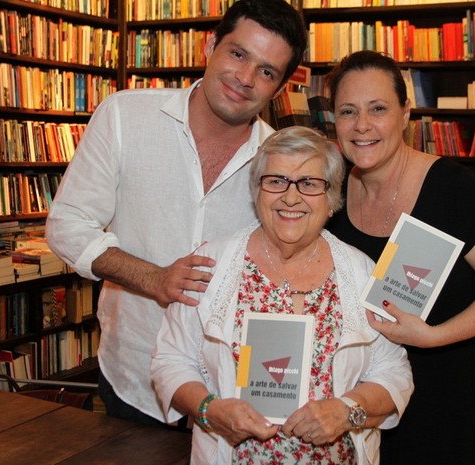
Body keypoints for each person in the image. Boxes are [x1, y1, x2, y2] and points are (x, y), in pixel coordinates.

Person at [45, 0, 308, 426]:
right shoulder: (125, 115)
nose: (244, 79)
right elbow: (67, 225)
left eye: (266, 71)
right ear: (209, 46)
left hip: (232, 393)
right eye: (238, 54)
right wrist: (154, 278)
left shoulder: (282, 161)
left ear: (279, 90)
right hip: (134, 376)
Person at [151, 126, 414, 464]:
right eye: (276, 181)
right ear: (256, 191)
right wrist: (209, 409)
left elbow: (394, 372)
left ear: (331, 198)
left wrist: (346, 411)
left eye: (309, 184)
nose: (291, 198)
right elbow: (170, 360)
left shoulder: (363, 273)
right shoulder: (210, 265)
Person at [325, 50, 475, 465]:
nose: (362, 125)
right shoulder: (332, 193)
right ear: (333, 120)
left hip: (448, 393)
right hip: (367, 398)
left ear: (406, 113)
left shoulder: (452, 188)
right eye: (348, 111)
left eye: (378, 109)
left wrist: (433, 336)